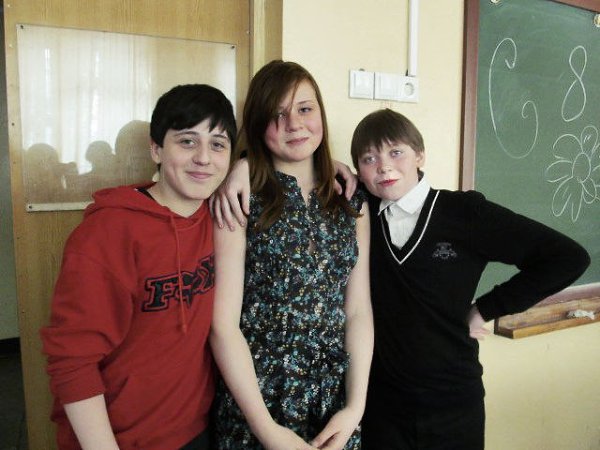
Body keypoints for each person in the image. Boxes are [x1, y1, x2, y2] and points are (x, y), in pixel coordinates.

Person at [212, 108, 591, 450]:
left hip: (451, 404)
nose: (384, 167)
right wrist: (244, 166)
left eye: (396, 153)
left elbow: (566, 258)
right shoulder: (357, 211)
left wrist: (485, 309)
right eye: (369, 159)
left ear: (420, 156)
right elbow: (313, 169)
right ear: (358, 171)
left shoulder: (464, 213)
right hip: (381, 408)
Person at [40, 84, 237, 450]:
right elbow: (72, 361)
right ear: (156, 149)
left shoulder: (220, 218)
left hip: (197, 427)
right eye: (187, 142)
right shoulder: (108, 232)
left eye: (218, 145)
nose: (204, 158)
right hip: (118, 437)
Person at [209, 60, 373, 450]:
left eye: (305, 108)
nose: (294, 124)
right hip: (257, 403)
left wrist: (355, 408)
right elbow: (223, 326)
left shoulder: (350, 200)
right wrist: (267, 430)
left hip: (333, 405)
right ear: (258, 124)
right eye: (277, 114)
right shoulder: (240, 196)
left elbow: (358, 310)